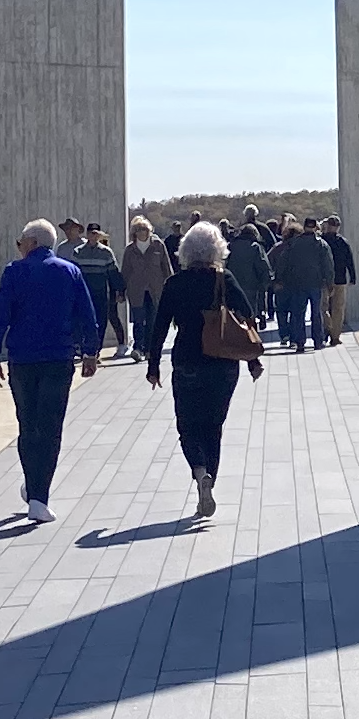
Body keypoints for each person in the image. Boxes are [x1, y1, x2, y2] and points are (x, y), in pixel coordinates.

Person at [140, 219, 258, 520]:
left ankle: (199, 471)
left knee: (187, 426)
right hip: (223, 362)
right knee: (213, 427)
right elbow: (247, 315)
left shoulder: (175, 283)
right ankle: (210, 483)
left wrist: (153, 366)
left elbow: (159, 327)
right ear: (217, 249)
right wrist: (253, 359)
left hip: (187, 360)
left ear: (186, 251)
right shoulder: (224, 278)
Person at [0, 219, 100, 522]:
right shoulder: (70, 272)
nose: (19, 246)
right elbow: (88, 316)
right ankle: (39, 494)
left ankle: (34, 486)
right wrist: (90, 352)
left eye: (20, 241)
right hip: (59, 359)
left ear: (32, 242)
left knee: (28, 423)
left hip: (22, 359)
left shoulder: (13, 272)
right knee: (50, 428)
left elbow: (1, 316)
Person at [64, 221, 126, 359]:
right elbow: (73, 273)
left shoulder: (106, 252)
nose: (93, 236)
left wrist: (120, 291)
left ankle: (96, 351)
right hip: (84, 293)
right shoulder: (78, 252)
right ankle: (83, 349)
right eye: (91, 233)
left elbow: (114, 273)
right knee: (82, 321)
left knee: (101, 322)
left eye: (96, 233)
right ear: (87, 234)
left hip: (101, 293)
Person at [273, 216, 332, 352]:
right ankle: (318, 341)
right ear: (315, 227)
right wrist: (329, 283)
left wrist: (278, 279)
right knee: (316, 313)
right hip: (316, 283)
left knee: (298, 314)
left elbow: (283, 262)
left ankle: (300, 342)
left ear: (305, 227)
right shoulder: (321, 244)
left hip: (298, 284)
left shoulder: (293, 244)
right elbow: (328, 265)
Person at [119, 215, 171, 362]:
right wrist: (121, 291)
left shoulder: (158, 246)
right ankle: (138, 348)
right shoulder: (130, 250)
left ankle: (149, 349)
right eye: (139, 229)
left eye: (145, 229)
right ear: (134, 232)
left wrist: (171, 287)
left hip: (155, 289)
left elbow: (166, 267)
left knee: (152, 320)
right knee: (138, 320)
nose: (143, 232)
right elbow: (125, 271)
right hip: (136, 290)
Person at [222, 217, 272, 333]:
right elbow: (263, 266)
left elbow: (224, 265)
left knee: (235, 313)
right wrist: (265, 284)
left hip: (232, 285)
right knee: (250, 314)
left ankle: (236, 336)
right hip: (251, 286)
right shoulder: (256, 247)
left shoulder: (231, 246)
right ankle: (251, 337)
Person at [322, 218, 358, 344]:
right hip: (328, 280)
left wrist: (353, 276)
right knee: (329, 308)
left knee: (334, 308)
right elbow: (350, 260)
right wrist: (352, 276)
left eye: (336, 225)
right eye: (333, 225)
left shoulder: (324, 241)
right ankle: (331, 331)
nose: (334, 227)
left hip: (336, 279)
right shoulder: (327, 241)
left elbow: (349, 260)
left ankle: (333, 334)